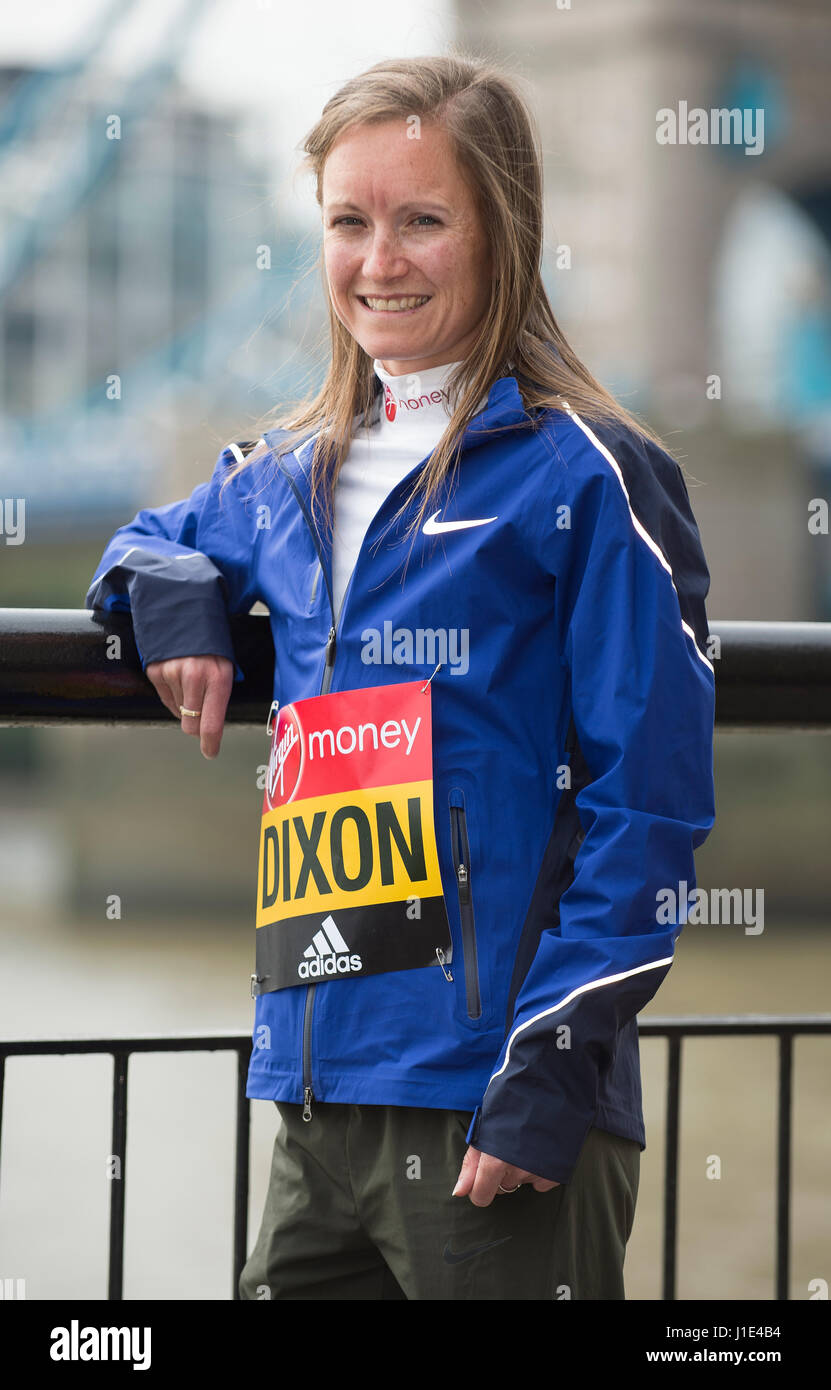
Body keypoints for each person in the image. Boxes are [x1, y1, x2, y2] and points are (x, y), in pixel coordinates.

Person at [85, 52, 716, 1301]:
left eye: (423, 220)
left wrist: (548, 1074)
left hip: (497, 1110)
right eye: (348, 222)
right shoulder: (289, 476)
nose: (380, 260)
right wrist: (169, 598)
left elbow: (652, 813)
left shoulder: (592, 478)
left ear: (504, 235)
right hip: (316, 1103)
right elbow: (148, 538)